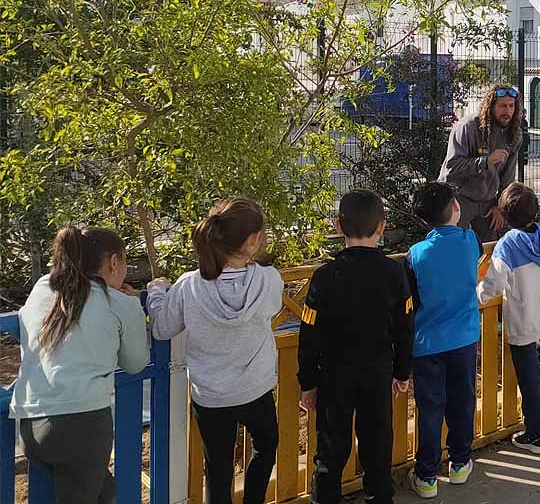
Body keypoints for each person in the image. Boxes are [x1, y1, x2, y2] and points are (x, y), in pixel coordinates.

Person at [148, 199, 283, 504]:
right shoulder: (268, 280)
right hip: (256, 389)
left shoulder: (188, 286)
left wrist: (156, 292)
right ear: (252, 241)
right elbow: (272, 310)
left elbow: (162, 329)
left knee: (218, 467)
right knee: (266, 445)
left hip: (210, 396)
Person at [11, 227, 149, 503]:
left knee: (104, 493)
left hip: (29, 424)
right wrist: (133, 309)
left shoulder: (42, 287)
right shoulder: (121, 304)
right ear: (113, 262)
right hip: (81, 428)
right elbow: (136, 364)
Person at [297, 189, 415, 503]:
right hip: (377, 374)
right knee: (377, 445)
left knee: (330, 451)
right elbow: (405, 327)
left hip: (333, 376)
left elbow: (308, 333)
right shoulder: (393, 272)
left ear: (337, 226)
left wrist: (307, 382)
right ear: (382, 227)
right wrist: (403, 372)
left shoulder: (324, 276)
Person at [478, 183, 540, 456]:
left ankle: (537, 435)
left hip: (523, 321)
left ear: (506, 217)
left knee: (528, 377)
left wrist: (477, 297)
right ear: (536, 211)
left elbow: (493, 285)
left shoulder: (507, 245)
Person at [407, 182, 482, 499]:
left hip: (427, 343)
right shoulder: (469, 241)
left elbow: (411, 300)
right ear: (455, 207)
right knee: (463, 400)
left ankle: (426, 475)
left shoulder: (416, 254)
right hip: (464, 338)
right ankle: (460, 461)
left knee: (430, 408)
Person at [438, 84, 524, 243]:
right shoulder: (468, 126)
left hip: (487, 200)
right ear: (490, 106)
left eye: (512, 106)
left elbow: (508, 176)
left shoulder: (514, 133)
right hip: (458, 197)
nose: (508, 112)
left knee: (490, 247)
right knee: (455, 246)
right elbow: (451, 167)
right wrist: (486, 162)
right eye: (503, 106)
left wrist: (500, 205)